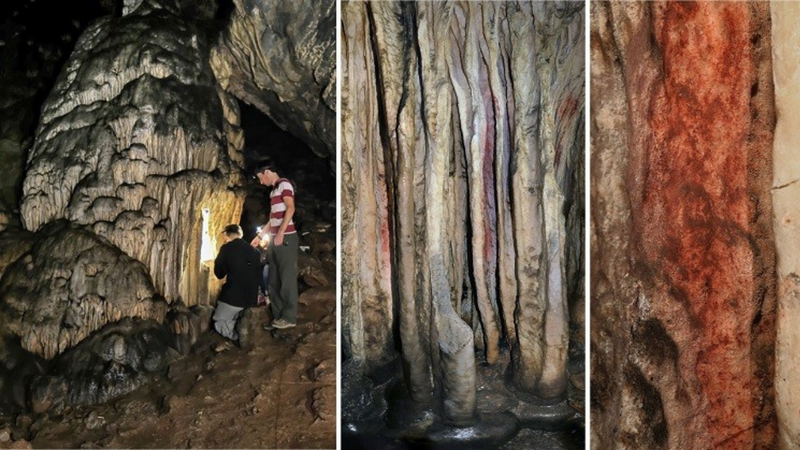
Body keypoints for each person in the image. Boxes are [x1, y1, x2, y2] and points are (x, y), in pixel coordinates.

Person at [251, 163, 298, 330]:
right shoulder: (273, 191)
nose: (261, 182)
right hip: (275, 239)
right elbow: (273, 220)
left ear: (267, 172)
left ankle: (289, 317)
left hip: (286, 239)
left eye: (260, 177)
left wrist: (281, 233)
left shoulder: (284, 184)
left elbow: (290, 208)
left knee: (286, 279)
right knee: (273, 280)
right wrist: (260, 236)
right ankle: (279, 317)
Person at [213, 224, 261, 344]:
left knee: (218, 321)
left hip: (233, 298)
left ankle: (236, 331)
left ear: (225, 235)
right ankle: (245, 321)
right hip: (251, 300)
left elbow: (219, 274)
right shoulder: (255, 252)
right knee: (238, 312)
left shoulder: (226, 248)